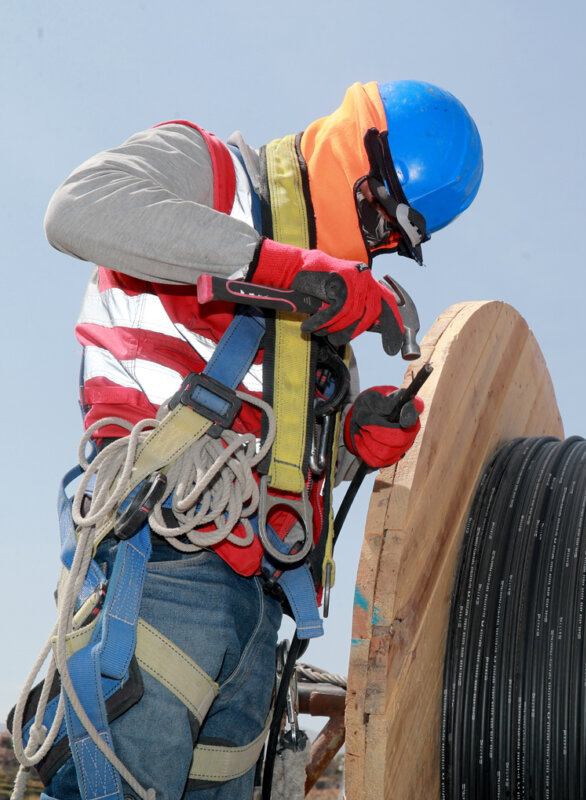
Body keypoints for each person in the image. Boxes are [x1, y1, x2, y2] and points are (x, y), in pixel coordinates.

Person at [7, 80, 483, 800]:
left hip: (260, 615)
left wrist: (355, 437)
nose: (376, 244)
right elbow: (78, 209)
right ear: (356, 148)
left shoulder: (323, 316)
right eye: (376, 214)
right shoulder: (211, 174)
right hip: (163, 560)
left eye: (394, 241)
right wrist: (279, 267)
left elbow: (290, 461)